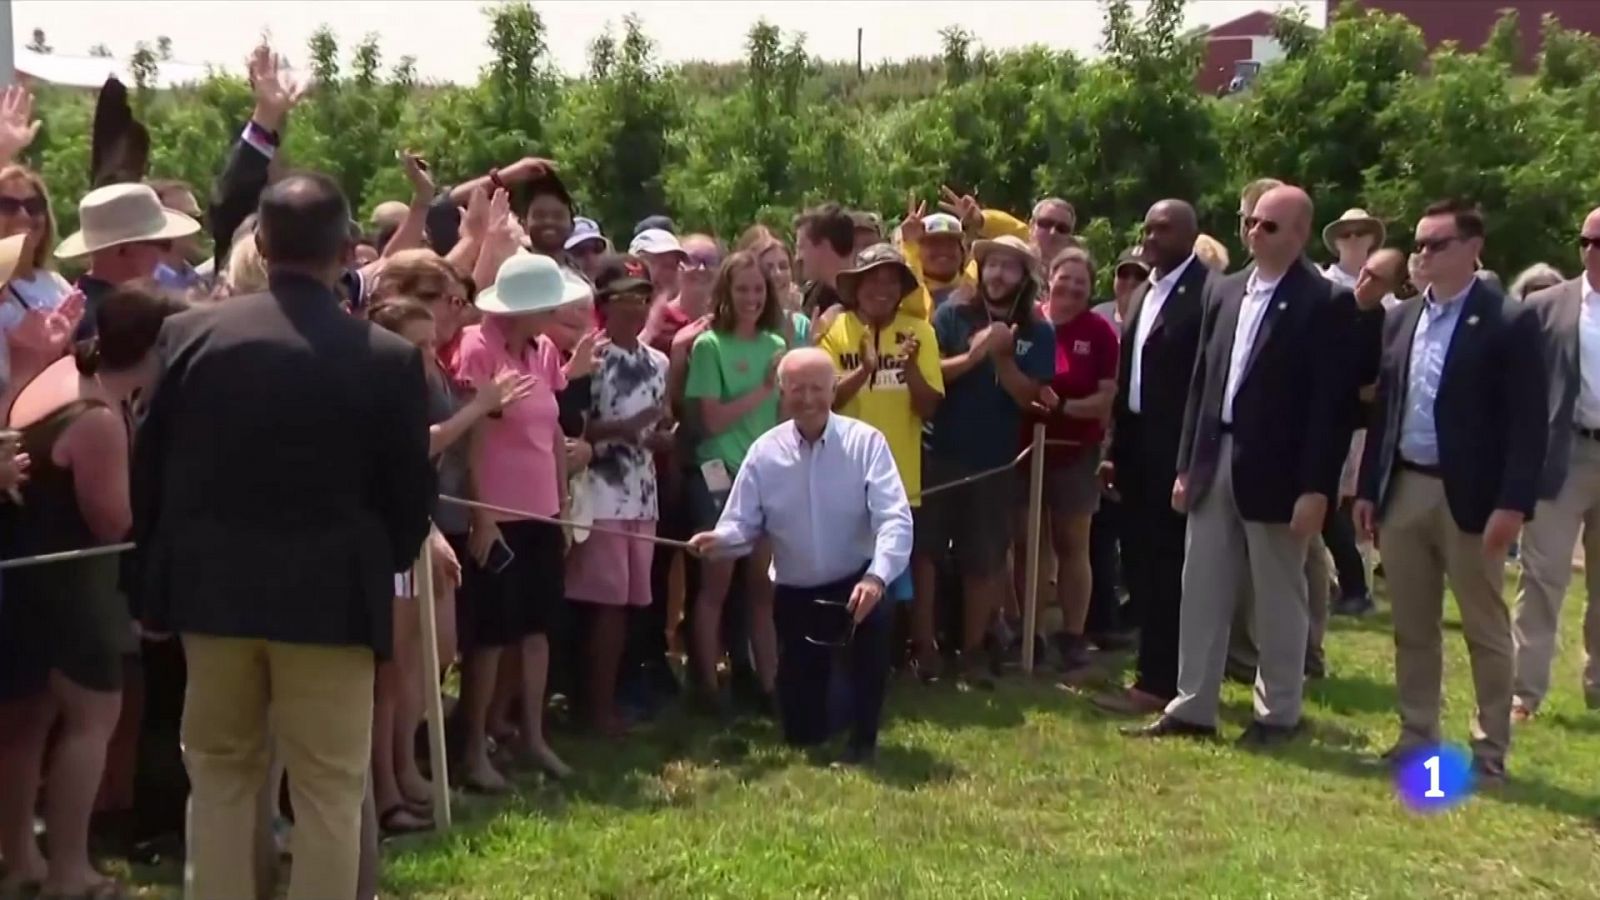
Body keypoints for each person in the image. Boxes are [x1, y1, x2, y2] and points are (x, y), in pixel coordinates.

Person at [127, 172, 434, 900]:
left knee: (223, 779)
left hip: (214, 598)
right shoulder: (388, 358)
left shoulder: (189, 335)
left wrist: (153, 582)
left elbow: (151, 469)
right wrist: (378, 561)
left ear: (260, 245)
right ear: (346, 250)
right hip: (331, 603)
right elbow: (408, 491)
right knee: (329, 790)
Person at [1131, 184, 1352, 745]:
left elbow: (1331, 408)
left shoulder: (1323, 301)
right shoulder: (1224, 292)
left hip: (1280, 470)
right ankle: (1192, 706)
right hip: (1214, 459)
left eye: (1269, 226)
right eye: (1250, 222)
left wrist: (1316, 488)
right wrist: (1187, 464)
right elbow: (1203, 386)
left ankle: (1277, 712)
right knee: (1201, 586)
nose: (1255, 232)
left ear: (1301, 233)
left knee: (1277, 594)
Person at [1354, 199, 1546, 784]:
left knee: (1485, 629)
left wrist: (1513, 504)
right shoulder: (1401, 318)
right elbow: (1385, 411)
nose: (1423, 255)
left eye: (1436, 244)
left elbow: (1527, 422)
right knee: (1413, 626)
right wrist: (1368, 489)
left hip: (1473, 497)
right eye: (1418, 244)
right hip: (1406, 486)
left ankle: (1489, 749)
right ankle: (1417, 737)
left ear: (1471, 248)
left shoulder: (1508, 321)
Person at [0, 269, 170, 900]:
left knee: (28, 726)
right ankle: (70, 868)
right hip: (71, 587)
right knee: (93, 719)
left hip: (27, 580)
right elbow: (113, 520)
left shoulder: (58, 375)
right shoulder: (98, 417)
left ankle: (23, 861)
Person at [688, 348, 913, 766]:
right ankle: (832, 703)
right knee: (803, 732)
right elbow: (741, 524)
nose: (807, 399)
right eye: (797, 389)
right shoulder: (763, 453)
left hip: (856, 584)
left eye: (817, 388)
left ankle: (864, 737)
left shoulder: (867, 444)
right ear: (782, 391)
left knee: (871, 646)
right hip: (796, 594)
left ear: (833, 389)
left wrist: (877, 578)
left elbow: (895, 519)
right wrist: (718, 540)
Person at [451, 253, 589, 792]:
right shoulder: (476, 348)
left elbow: (553, 428)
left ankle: (532, 737)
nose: (556, 311)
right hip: (497, 518)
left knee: (536, 629)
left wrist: (560, 500)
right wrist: (482, 516)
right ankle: (473, 748)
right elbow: (474, 438)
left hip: (540, 511)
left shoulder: (545, 350)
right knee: (488, 636)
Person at [1094, 200, 1212, 717]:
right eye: (1147, 226)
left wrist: (1191, 460)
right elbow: (1126, 381)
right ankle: (1153, 671)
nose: (1151, 235)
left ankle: (1162, 681)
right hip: (1138, 443)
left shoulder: (1211, 293)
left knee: (1169, 567)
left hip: (1178, 446)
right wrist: (1114, 451)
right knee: (1140, 562)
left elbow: (1207, 384)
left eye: (1162, 227)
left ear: (1190, 232)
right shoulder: (1144, 291)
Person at [922, 235, 1054, 687]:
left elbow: (1028, 396)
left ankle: (974, 650)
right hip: (939, 453)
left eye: (1010, 267)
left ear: (1024, 277)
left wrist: (1000, 358)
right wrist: (975, 353)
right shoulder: (951, 314)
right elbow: (928, 377)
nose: (998, 274)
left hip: (996, 461)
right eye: (992, 264)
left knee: (984, 559)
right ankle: (927, 649)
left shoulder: (1037, 329)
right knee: (928, 555)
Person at [816, 243, 943, 677]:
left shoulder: (920, 332)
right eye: (873, 280)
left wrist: (909, 372)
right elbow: (824, 400)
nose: (882, 289)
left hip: (900, 478)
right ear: (858, 286)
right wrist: (864, 370)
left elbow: (929, 408)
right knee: (845, 570)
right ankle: (843, 658)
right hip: (842, 475)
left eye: (891, 281)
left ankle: (889, 660)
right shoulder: (836, 331)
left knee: (892, 577)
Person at [682, 251, 789, 712]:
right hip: (720, 478)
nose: (751, 297)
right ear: (726, 293)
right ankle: (708, 686)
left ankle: (769, 684)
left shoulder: (775, 345)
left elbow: (783, 419)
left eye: (758, 289)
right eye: (742, 289)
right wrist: (764, 388)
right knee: (715, 588)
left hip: (766, 477)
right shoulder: (709, 346)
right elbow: (711, 420)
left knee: (762, 588)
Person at [570, 255, 671, 734]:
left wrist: (658, 437)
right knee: (605, 605)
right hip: (601, 492)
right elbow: (573, 424)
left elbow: (662, 416)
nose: (634, 308)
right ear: (603, 305)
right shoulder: (589, 357)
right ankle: (594, 707)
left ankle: (619, 699)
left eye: (642, 298)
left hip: (643, 491)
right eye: (624, 299)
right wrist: (621, 429)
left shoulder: (659, 361)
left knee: (634, 603)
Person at [1016, 247, 1118, 680]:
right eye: (1065, 277)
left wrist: (1063, 409)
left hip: (1075, 451)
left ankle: (1073, 634)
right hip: (1022, 452)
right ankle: (1030, 633)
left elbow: (1105, 399)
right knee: (1028, 544)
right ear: (1049, 277)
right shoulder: (1028, 323)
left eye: (1082, 282)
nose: (1072, 288)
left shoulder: (1099, 332)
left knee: (1071, 543)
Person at [1514, 206, 1600, 719]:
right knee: (1542, 577)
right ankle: (1525, 694)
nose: (1592, 252)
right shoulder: (1548, 306)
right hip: (1562, 454)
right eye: (1587, 241)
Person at [56, 183, 200, 340]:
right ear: (125, 250)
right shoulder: (113, 317)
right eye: (162, 243)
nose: (162, 256)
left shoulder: (85, 305)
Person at [794, 203, 855, 321]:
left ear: (824, 246)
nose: (797, 257)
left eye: (801, 247)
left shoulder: (866, 300)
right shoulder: (807, 298)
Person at [1322, 208, 1386, 290]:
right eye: (1345, 234)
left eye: (1360, 233)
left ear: (1372, 239)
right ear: (1336, 243)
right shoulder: (1326, 283)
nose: (1353, 238)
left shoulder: (1381, 283)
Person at [629, 228, 687, 304]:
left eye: (672, 265)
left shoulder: (677, 315)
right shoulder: (613, 311)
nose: (667, 273)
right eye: (655, 262)